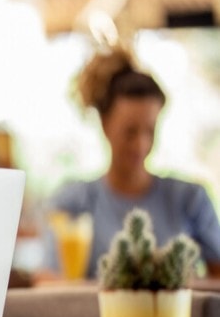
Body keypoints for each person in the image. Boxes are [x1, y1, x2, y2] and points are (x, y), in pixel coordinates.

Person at [47, 46, 220, 280]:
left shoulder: (190, 199)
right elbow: (48, 281)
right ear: (105, 125)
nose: (140, 145)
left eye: (150, 131)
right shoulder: (73, 202)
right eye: (129, 132)